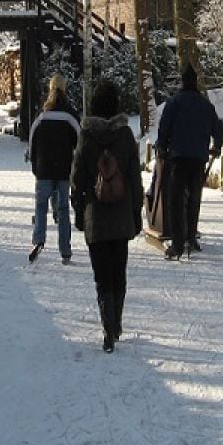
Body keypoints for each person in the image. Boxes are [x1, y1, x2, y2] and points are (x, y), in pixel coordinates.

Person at [71, 79, 144, 353]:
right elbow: (135, 180)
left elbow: (77, 178)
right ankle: (117, 322)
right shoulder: (125, 137)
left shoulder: (86, 137)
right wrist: (137, 211)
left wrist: (79, 209)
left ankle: (107, 326)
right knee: (118, 272)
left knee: (101, 275)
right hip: (121, 215)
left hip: (96, 216)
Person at [155, 62, 223, 260]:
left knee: (176, 200)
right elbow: (218, 129)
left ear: (182, 82)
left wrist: (162, 146)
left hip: (177, 157)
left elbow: (164, 128)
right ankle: (191, 237)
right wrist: (216, 146)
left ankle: (177, 244)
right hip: (198, 159)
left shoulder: (174, 103)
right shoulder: (205, 105)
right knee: (194, 199)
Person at [27, 74, 80, 264]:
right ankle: (65, 250)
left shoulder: (42, 116)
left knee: (41, 206)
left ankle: (38, 240)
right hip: (64, 170)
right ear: (65, 89)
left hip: (44, 169)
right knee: (64, 209)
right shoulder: (71, 116)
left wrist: (36, 167)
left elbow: (32, 144)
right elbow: (80, 145)